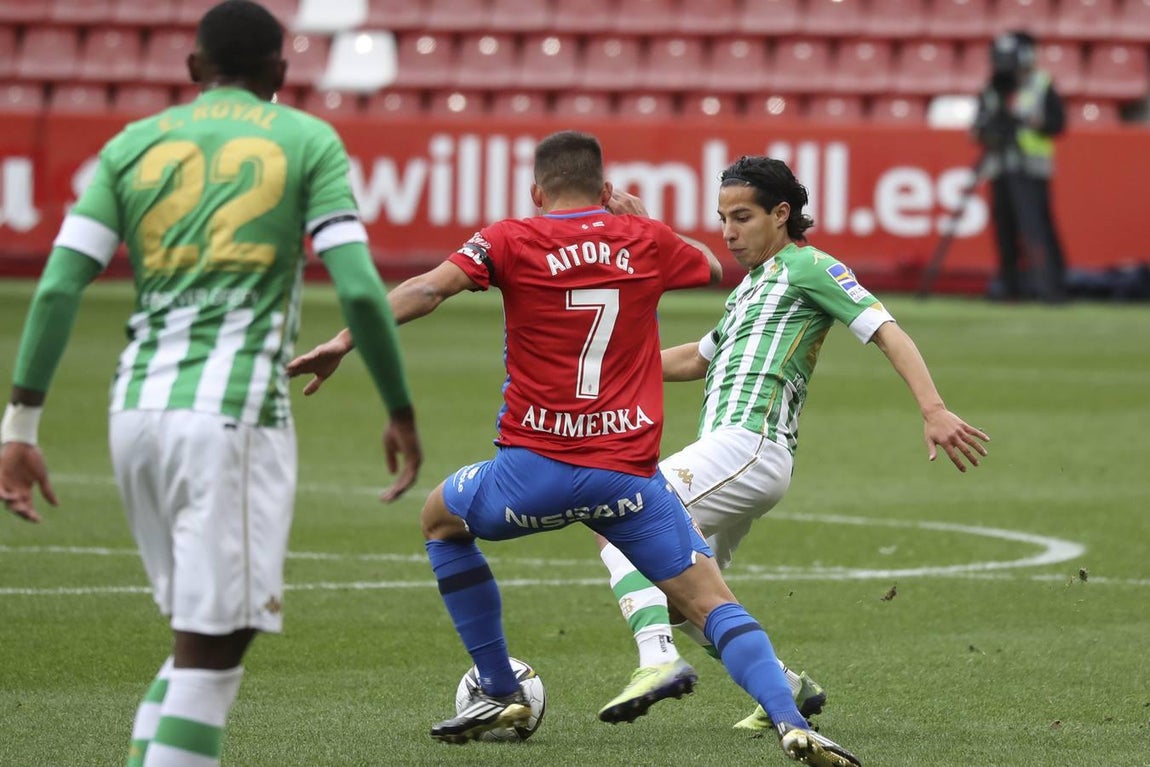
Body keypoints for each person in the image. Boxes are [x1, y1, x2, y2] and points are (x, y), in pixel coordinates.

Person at [288, 131, 861, 767]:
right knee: (711, 601)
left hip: (527, 475)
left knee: (439, 520)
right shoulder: (645, 242)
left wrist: (345, 340)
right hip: (626, 480)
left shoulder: (509, 238)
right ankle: (789, 721)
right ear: (604, 189)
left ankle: (499, 688)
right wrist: (639, 221)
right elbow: (706, 264)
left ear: (537, 191)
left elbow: (427, 290)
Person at [0, 3, 422, 766]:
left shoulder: (133, 144)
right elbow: (360, 291)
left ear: (194, 69)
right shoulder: (304, 138)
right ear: (281, 74)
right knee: (216, 644)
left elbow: (60, 286)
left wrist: (20, 427)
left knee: (201, 636)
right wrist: (398, 406)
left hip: (133, 410)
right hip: (230, 415)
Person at [594, 155, 991, 732]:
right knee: (687, 594)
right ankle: (784, 687)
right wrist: (611, 373)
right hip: (734, 453)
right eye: (723, 218)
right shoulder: (750, 290)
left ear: (782, 215)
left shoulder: (810, 268)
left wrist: (933, 408)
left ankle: (656, 662)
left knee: (623, 521)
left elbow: (885, 328)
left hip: (749, 445)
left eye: (743, 217)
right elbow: (696, 359)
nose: (729, 232)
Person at [973, 29, 1068, 303]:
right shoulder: (991, 88)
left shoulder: (1041, 83)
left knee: (1036, 229)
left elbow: (1058, 124)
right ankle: (1010, 287)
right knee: (1004, 230)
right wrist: (989, 129)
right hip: (1000, 168)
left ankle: (1051, 287)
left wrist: (1030, 122)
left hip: (1032, 170)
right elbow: (978, 126)